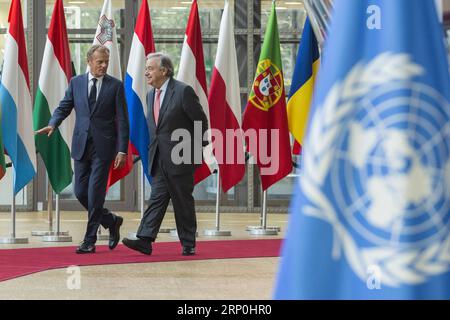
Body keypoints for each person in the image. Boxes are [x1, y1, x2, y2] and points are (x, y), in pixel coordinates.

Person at [36, 45, 128, 254]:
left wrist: (122, 150)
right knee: (80, 192)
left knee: (95, 194)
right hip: (81, 145)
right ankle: (112, 220)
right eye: (99, 62)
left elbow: (123, 120)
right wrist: (53, 123)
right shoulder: (76, 83)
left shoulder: (116, 86)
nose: (104, 65)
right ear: (89, 61)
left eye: (106, 62)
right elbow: (64, 106)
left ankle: (89, 240)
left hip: (104, 148)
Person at [122, 52, 208, 256]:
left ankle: (188, 243)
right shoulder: (151, 95)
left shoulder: (183, 91)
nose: (146, 73)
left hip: (182, 157)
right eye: (146, 69)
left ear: (164, 70)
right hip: (159, 158)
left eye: (150, 68)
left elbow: (201, 121)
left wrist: (191, 151)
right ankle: (145, 239)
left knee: (182, 201)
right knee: (157, 198)